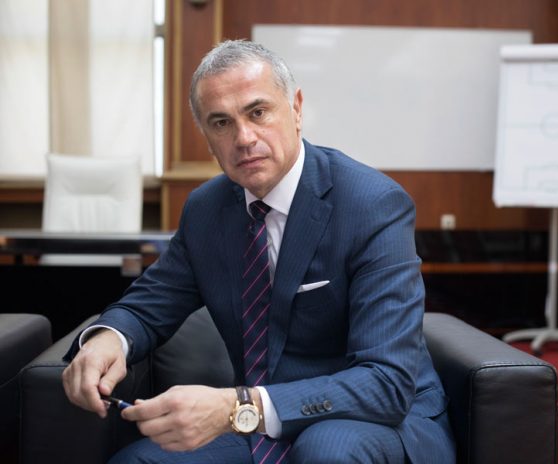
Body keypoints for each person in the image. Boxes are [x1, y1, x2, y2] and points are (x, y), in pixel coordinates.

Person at [62, 39, 455, 464]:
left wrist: (236, 406)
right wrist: (108, 339)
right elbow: (148, 305)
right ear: (207, 137)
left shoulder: (371, 204)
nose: (244, 138)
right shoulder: (207, 210)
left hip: (376, 419)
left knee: (326, 451)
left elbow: (386, 383)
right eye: (221, 123)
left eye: (258, 113)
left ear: (297, 109)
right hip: (257, 425)